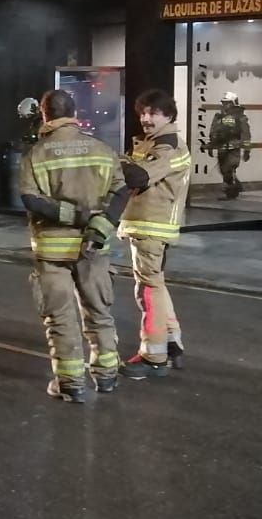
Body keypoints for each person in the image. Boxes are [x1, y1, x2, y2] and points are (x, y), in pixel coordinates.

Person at [18, 89, 139, 403]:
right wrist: (101, 223)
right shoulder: (101, 149)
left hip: (52, 251)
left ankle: (70, 382)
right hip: (93, 247)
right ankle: (108, 375)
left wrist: (74, 215)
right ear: (73, 112)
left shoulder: (37, 153)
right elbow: (122, 190)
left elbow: (31, 200)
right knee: (99, 311)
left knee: (60, 317)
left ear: (44, 115)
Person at [118, 90, 193, 378]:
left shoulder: (168, 146)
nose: (146, 118)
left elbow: (138, 176)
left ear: (169, 115)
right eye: (143, 113)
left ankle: (154, 355)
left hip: (152, 226)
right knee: (155, 284)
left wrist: (117, 165)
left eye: (153, 113)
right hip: (144, 224)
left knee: (147, 290)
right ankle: (172, 342)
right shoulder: (152, 142)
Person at [207, 91, 252, 199]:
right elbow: (213, 131)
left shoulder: (240, 117)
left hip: (234, 148)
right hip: (221, 148)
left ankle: (231, 193)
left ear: (233, 103)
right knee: (223, 170)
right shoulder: (218, 116)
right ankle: (235, 185)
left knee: (229, 168)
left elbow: (245, 134)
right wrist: (211, 145)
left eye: (227, 102)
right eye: (224, 102)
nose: (225, 105)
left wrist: (247, 150)